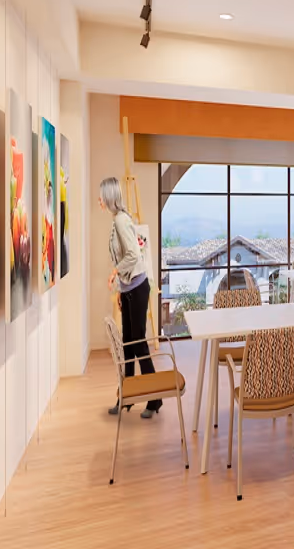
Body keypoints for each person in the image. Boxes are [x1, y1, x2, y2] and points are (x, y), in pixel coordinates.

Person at [100, 177, 161, 418]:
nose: (99, 200)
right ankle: (127, 397)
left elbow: (134, 256)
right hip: (129, 289)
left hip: (137, 288)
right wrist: (120, 290)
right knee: (128, 344)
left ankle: (154, 398)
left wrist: (115, 273)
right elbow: (123, 257)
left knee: (138, 344)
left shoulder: (122, 220)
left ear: (109, 197)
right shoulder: (117, 221)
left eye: (101, 195)